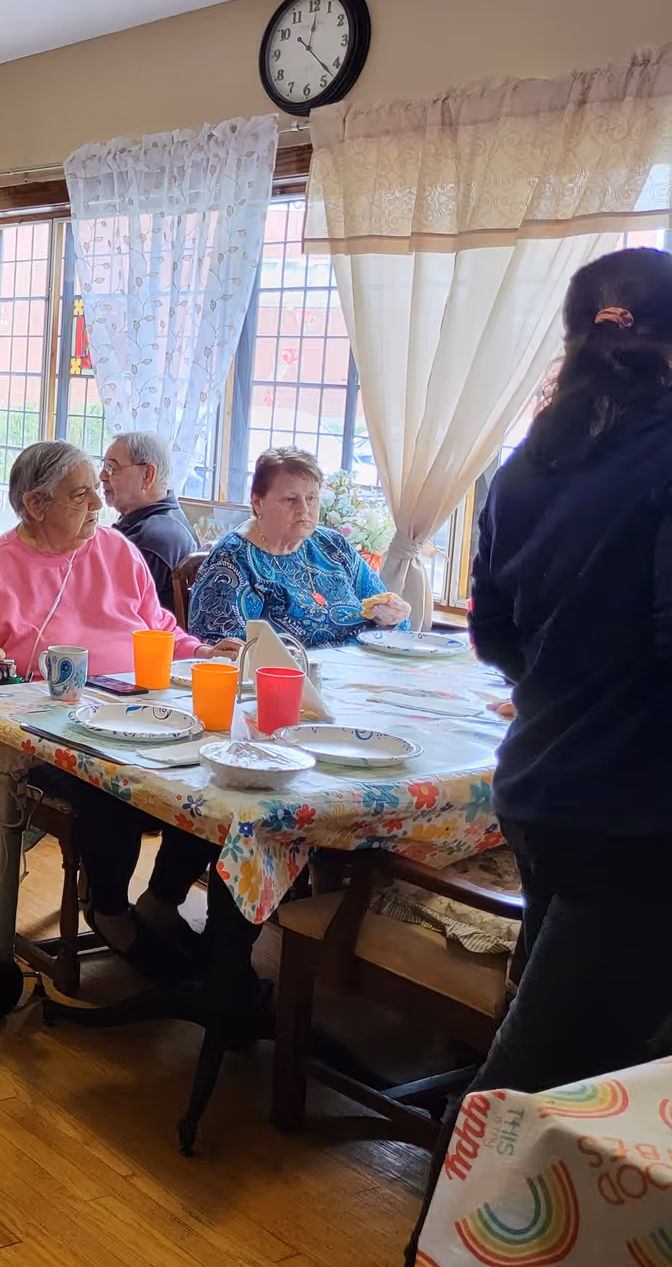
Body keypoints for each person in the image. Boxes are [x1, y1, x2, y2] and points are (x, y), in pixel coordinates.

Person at [404, 247, 672, 1260]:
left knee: (560, 1055)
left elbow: (497, 635)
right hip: (638, 814)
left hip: (547, 788)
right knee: (535, 1083)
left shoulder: (532, 464)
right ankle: (445, 1244)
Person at [0, 441, 235, 973]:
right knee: (109, 788)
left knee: (213, 773)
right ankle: (110, 909)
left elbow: (158, 629)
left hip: (138, 716)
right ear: (35, 504)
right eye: (81, 495)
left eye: (97, 489)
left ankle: (161, 899)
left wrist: (206, 652)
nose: (99, 503)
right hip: (49, 738)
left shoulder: (118, 550)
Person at [187, 446, 410, 648]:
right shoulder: (233, 561)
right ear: (258, 503)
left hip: (361, 675)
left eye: (311, 498)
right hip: (290, 684)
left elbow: (387, 613)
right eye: (290, 499)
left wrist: (390, 617)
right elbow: (226, 652)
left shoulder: (332, 545)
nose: (304, 509)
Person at [101, 431, 199, 616]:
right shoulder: (159, 523)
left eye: (112, 469)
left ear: (148, 475)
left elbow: (111, 612)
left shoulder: (154, 539)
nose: (102, 477)